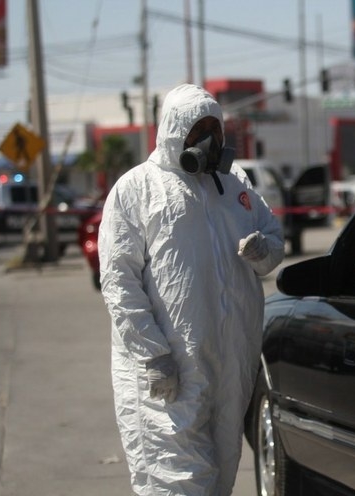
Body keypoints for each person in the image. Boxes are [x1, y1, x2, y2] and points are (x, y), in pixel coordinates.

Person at [98, 83, 284, 495]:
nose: (209, 141)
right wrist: (153, 355)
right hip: (170, 376)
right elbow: (119, 282)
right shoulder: (136, 190)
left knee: (219, 478)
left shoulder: (234, 187)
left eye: (214, 129)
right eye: (198, 129)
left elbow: (274, 242)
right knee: (177, 482)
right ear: (173, 131)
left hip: (227, 370)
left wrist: (262, 250)